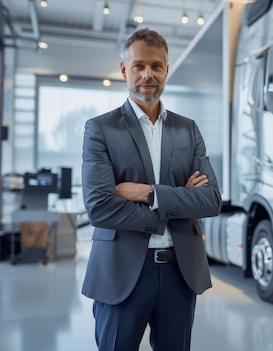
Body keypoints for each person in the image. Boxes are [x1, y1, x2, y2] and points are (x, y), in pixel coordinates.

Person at [80, 27, 222, 351]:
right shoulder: (100, 129)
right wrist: (177, 203)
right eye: (139, 66)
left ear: (167, 70)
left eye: (156, 66)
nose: (148, 74)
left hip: (179, 273)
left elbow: (211, 198)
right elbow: (99, 206)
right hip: (122, 273)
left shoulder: (188, 129)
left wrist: (149, 194)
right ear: (123, 70)